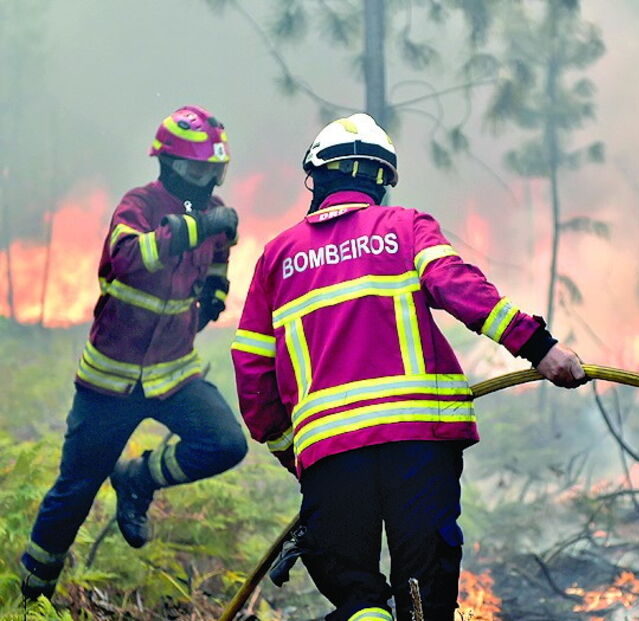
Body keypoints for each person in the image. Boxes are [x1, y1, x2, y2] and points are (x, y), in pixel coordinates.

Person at [231, 113, 587, 621]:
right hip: (419, 445)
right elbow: (459, 288)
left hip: (331, 454)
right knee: (425, 593)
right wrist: (539, 347)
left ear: (319, 176)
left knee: (356, 594)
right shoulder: (405, 227)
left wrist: (293, 451)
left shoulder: (277, 258)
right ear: (381, 180)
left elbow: (251, 369)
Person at [20, 105, 248, 601]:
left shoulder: (213, 213)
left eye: (215, 170)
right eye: (198, 169)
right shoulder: (139, 204)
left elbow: (221, 252)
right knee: (73, 493)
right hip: (110, 383)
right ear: (168, 165)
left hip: (174, 375)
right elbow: (126, 258)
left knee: (226, 443)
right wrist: (198, 227)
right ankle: (30, 598)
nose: (207, 179)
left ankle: (136, 479)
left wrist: (215, 290)